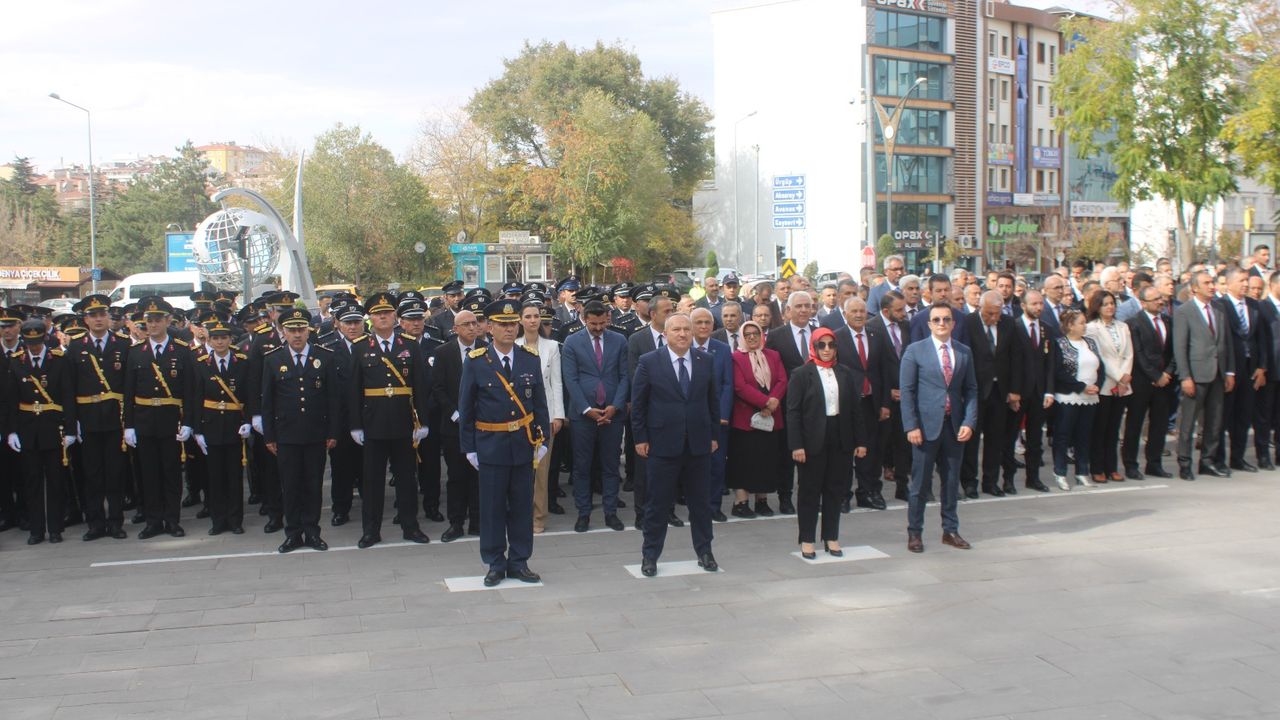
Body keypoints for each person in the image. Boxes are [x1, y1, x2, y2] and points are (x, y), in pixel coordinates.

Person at [458, 299, 550, 587]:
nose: (509, 329)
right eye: (502, 324)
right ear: (489, 327)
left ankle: (520, 561)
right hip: (491, 444)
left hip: (523, 444)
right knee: (492, 508)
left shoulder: (529, 358)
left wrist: (543, 439)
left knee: (522, 507)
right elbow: (466, 407)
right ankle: (495, 562)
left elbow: (539, 403)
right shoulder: (476, 361)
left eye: (512, 324)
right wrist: (469, 447)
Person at [632, 313, 721, 577]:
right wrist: (640, 438)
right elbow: (639, 404)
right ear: (666, 334)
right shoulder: (649, 361)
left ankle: (705, 552)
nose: (682, 334)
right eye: (676, 330)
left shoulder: (705, 360)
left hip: (698, 444)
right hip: (662, 444)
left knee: (700, 503)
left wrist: (713, 435)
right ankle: (650, 555)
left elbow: (712, 402)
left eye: (686, 329)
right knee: (657, 504)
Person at [349, 292, 432, 549]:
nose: (383, 317)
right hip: (373, 423)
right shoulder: (360, 346)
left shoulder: (410, 344)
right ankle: (370, 530)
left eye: (387, 313)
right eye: (377, 314)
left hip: (403, 421)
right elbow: (354, 389)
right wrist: (355, 425)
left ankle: (411, 526)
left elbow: (420, 385)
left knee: (407, 478)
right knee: (372, 481)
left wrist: (423, 422)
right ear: (370, 318)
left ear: (395, 316)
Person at [260, 308, 341, 553]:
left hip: (316, 432)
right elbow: (268, 401)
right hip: (286, 434)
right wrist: (269, 435)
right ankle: (293, 533)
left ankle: (313, 532)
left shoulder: (324, 356)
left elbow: (333, 398)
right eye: (292, 330)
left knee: (313, 485)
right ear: (283, 332)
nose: (297, 335)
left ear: (308, 331)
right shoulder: (273, 359)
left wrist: (333, 431)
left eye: (301, 330)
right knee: (290, 486)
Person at [900, 304, 978, 553]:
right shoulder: (915, 350)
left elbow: (971, 390)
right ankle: (915, 533)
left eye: (946, 319)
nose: (942, 323)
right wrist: (911, 425)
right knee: (920, 484)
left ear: (953, 323)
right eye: (936, 320)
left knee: (951, 482)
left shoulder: (964, 352)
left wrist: (969, 421)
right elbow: (907, 391)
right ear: (929, 324)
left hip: (954, 427)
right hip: (925, 428)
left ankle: (950, 530)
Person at [786, 327, 868, 559]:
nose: (826, 349)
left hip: (840, 437)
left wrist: (860, 441)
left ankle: (831, 536)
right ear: (813, 347)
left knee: (835, 490)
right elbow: (793, 412)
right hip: (812, 439)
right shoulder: (801, 374)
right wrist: (797, 445)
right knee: (809, 491)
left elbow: (855, 410)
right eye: (821, 345)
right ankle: (807, 539)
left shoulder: (844, 372)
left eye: (831, 345)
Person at [123, 297, 195, 539]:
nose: (153, 325)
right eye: (149, 321)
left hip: (171, 420)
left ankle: (172, 520)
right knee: (149, 474)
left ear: (168, 321)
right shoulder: (135, 352)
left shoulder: (181, 351)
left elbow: (189, 391)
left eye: (157, 320)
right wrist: (128, 425)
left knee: (171, 473)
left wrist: (188, 422)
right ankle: (153, 521)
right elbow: (128, 392)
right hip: (144, 420)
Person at [6, 320, 77, 545]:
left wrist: (70, 429)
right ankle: (36, 530)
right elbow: (11, 400)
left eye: (37, 342)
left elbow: (68, 395)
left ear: (45, 338)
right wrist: (11, 431)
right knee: (32, 481)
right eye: (29, 343)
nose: (34, 347)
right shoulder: (16, 361)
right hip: (28, 429)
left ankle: (55, 528)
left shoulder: (59, 360)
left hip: (53, 427)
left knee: (56, 481)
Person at [561, 300, 628, 532]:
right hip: (583, 416)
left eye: (602, 323)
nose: (598, 328)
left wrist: (615, 406)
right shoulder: (572, 342)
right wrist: (586, 409)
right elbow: (570, 379)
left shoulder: (619, 340)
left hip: (612, 414)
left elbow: (625, 376)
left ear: (608, 319)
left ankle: (611, 512)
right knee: (582, 466)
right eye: (593, 324)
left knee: (611, 465)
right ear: (585, 319)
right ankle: (583, 513)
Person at [69, 294, 131, 540]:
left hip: (115, 418)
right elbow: (70, 388)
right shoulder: (76, 346)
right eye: (93, 315)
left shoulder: (122, 344)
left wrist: (129, 421)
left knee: (115, 473)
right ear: (85, 320)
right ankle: (95, 523)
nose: (98, 319)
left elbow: (128, 385)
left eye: (102, 314)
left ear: (108, 317)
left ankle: (115, 522)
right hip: (88, 419)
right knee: (92, 474)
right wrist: (73, 422)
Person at [190, 316, 251, 536]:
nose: (219, 342)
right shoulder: (201, 363)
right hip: (211, 425)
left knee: (234, 476)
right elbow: (196, 397)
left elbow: (249, 395)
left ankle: (235, 520)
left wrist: (248, 421)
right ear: (209, 340)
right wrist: (197, 430)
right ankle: (218, 520)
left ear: (230, 339)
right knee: (214, 477)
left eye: (223, 337)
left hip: (234, 425)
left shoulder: (242, 362)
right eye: (215, 338)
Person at [1174, 271, 1236, 480]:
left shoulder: (1219, 308)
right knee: (1188, 422)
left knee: (1214, 421)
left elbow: (1226, 342)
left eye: (1212, 282)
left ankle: (1207, 461)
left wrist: (1229, 371)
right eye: (1206, 283)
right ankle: (1185, 463)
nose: (1212, 286)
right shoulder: (1184, 311)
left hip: (1218, 374)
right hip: (1196, 375)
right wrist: (1185, 377)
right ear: (1194, 288)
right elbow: (1180, 347)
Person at [962, 291, 1024, 497]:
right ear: (980, 308)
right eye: (990, 313)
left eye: (997, 313)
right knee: (971, 440)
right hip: (975, 390)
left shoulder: (1008, 323)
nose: (994, 318)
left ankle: (991, 482)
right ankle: (969, 482)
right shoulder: (968, 323)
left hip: (1000, 391)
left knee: (995, 439)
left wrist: (1015, 390)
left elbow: (1016, 358)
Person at [764, 290, 819, 515]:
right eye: (799, 306)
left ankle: (812, 495)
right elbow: (772, 370)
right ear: (788, 310)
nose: (804, 310)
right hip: (788, 404)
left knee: (814, 454)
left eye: (807, 306)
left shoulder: (820, 333)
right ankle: (785, 497)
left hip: (817, 405)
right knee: (788, 454)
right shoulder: (777, 336)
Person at [832, 297, 888, 510]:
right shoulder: (836, 337)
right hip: (846, 404)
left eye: (862, 311)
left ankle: (869, 491)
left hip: (872, 402)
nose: (858, 315)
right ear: (845, 314)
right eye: (854, 311)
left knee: (871, 451)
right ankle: (843, 495)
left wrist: (885, 403)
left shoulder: (877, 335)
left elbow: (885, 370)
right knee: (845, 451)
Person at [726, 320, 787, 517]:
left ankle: (762, 501)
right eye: (748, 334)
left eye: (756, 333)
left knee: (766, 461)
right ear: (742, 337)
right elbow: (740, 386)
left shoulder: (773, 355)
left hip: (770, 417)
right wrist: (764, 402)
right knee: (745, 462)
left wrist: (773, 401)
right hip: (746, 420)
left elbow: (782, 380)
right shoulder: (736, 358)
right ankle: (741, 503)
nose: (752, 337)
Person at [516, 301, 566, 535]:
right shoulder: (513, 345)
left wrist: (558, 415)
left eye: (536, 316)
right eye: (528, 316)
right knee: (520, 469)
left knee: (542, 470)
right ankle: (519, 514)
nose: (533, 320)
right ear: (520, 320)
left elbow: (556, 382)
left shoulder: (552, 346)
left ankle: (538, 516)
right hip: (519, 416)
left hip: (545, 415)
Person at [1213, 267, 1269, 472]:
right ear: (1228, 283)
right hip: (1229, 369)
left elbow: (1261, 339)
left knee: (1243, 416)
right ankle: (1218, 459)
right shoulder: (1219, 306)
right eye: (1241, 281)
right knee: (1223, 417)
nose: (1246, 284)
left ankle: (1237, 458)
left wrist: (1262, 367)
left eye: (1247, 280)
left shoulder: (1254, 305)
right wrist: (1227, 370)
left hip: (1250, 369)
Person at [1122, 286, 1176, 479]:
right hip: (1142, 382)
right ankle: (1131, 465)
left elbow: (1173, 351)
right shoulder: (1133, 323)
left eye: (1160, 298)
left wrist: (1167, 373)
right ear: (1143, 303)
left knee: (1159, 425)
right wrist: (1155, 376)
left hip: (1165, 382)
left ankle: (1154, 463)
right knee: (1135, 424)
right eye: (1155, 299)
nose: (1160, 302)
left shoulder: (1168, 321)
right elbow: (1138, 354)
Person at [321, 302, 366, 526]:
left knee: (368, 467)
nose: (353, 327)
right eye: (348, 323)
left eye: (356, 322)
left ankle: (371, 505)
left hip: (368, 417)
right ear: (338, 324)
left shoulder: (371, 345)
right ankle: (341, 509)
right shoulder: (328, 350)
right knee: (341, 468)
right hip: (341, 420)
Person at [1051, 309, 1105, 489]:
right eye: (1081, 323)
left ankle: (1082, 472)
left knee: (1084, 435)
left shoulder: (1090, 342)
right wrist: (1081, 386)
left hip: (1090, 397)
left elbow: (1100, 367)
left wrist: (1097, 385)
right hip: (1069, 396)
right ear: (1070, 325)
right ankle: (1060, 472)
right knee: (1063, 435)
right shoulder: (1060, 344)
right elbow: (1059, 372)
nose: (1085, 326)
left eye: (1085, 322)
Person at [1084, 291, 1133, 483]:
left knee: (1114, 429)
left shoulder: (1123, 326)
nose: (1110, 307)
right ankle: (1097, 468)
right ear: (1097, 307)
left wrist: (1125, 378)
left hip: (1123, 385)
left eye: (1112, 303)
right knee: (1100, 428)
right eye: (1105, 304)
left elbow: (1128, 353)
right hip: (1105, 383)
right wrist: (1120, 377)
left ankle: (1112, 467)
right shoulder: (1091, 328)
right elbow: (1101, 357)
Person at [690, 308, 734, 522]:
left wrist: (722, 414)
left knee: (716, 464)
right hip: (691, 417)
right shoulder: (683, 347)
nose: (703, 326)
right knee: (692, 464)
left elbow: (727, 384)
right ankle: (695, 505)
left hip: (716, 418)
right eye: (698, 322)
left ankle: (714, 506)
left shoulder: (722, 349)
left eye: (707, 322)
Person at [1011, 290, 1054, 492]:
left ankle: (1033, 477)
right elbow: (1009, 363)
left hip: (1039, 392)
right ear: (1023, 305)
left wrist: (1049, 391)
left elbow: (1050, 363)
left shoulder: (1046, 329)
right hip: (1018, 392)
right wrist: (1012, 391)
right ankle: (1008, 479)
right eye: (1034, 304)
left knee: (1035, 439)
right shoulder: (1014, 327)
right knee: (1010, 435)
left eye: (1041, 303)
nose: (1038, 307)